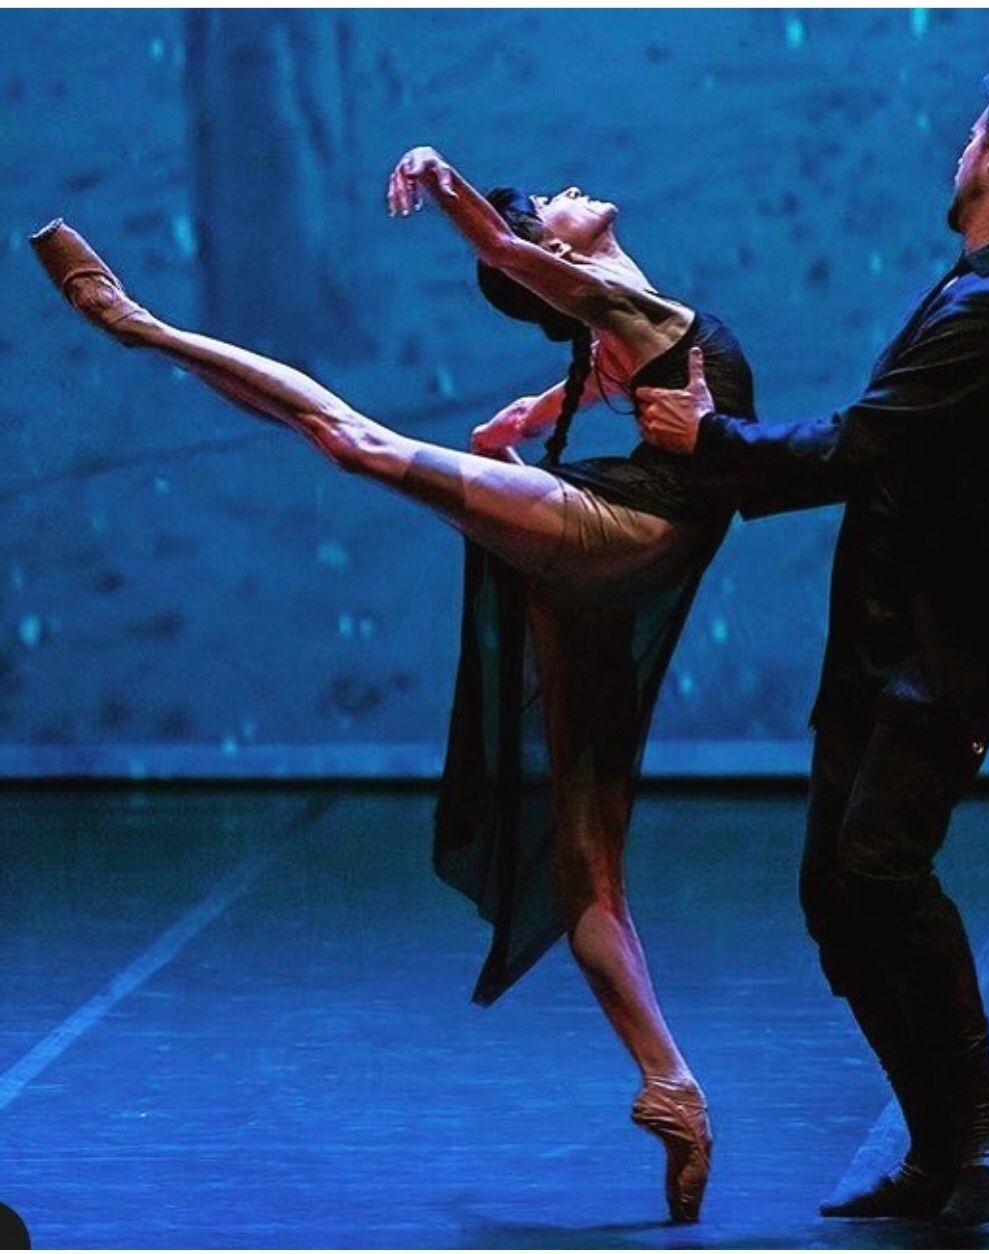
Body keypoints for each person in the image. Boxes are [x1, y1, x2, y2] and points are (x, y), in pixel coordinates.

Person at [30, 145, 759, 1224]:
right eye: (548, 204)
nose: (563, 189)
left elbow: (525, 356)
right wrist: (440, 174)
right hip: (617, 538)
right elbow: (503, 252)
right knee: (585, 867)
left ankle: (143, 327)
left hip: (621, 541)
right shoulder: (614, 310)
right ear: (557, 256)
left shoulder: (622, 327)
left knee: (349, 441)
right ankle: (672, 1085)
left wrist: (515, 437)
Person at [636, 69, 989, 1227]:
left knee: (876, 869)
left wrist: (712, 442)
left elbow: (861, 444)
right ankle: (939, 1147)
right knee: (833, 892)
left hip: (940, 652)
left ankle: (986, 1133)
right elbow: (886, 455)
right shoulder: (984, 285)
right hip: (882, 641)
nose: (957, 148)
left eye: (972, 133)